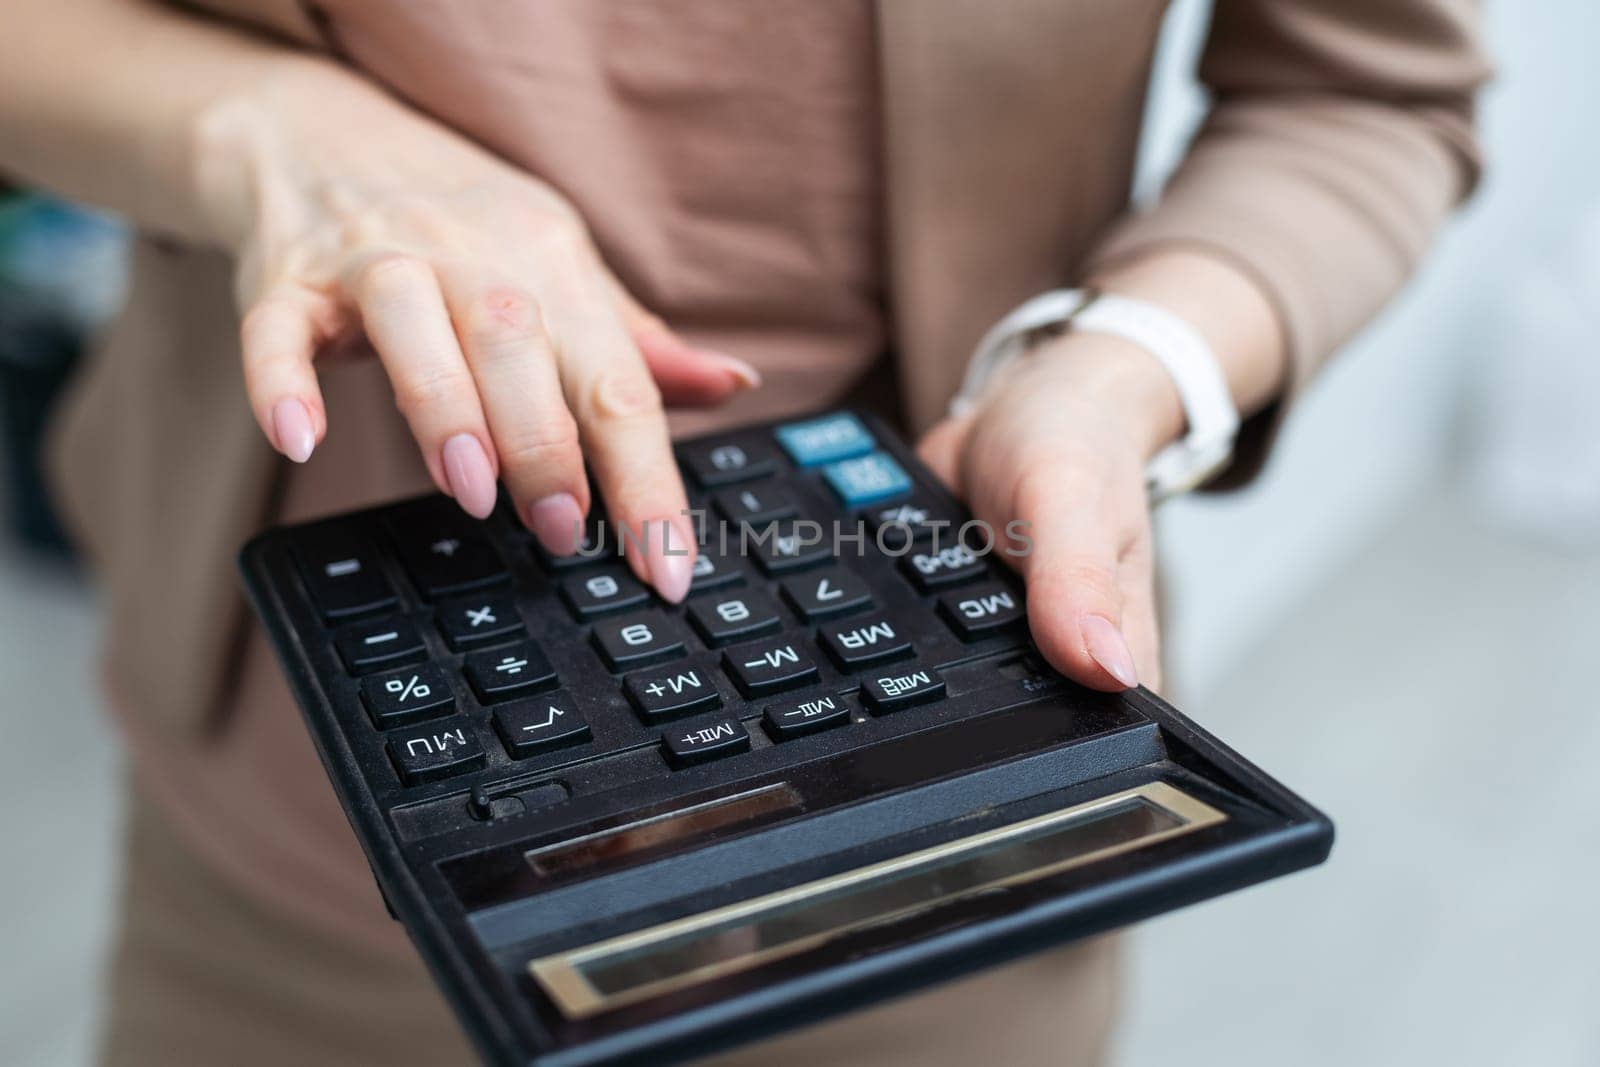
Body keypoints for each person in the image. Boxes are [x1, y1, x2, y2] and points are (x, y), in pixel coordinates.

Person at [0, 1, 1487, 1063]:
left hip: (957, 779)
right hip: (305, 806)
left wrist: (1119, 370)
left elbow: (1364, 90)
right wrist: (278, 133)